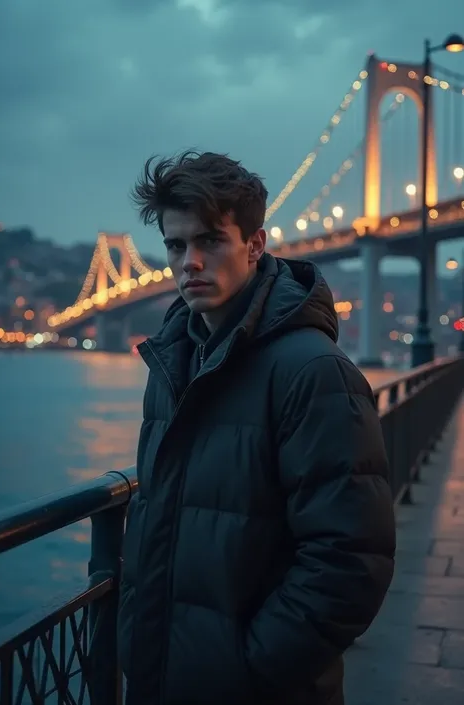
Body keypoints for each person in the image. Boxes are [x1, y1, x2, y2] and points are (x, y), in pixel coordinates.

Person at [117, 151, 396, 705]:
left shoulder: (314, 373)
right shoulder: (171, 364)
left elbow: (350, 564)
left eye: (210, 241)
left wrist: (246, 672)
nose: (189, 262)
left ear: (255, 244)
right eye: (176, 245)